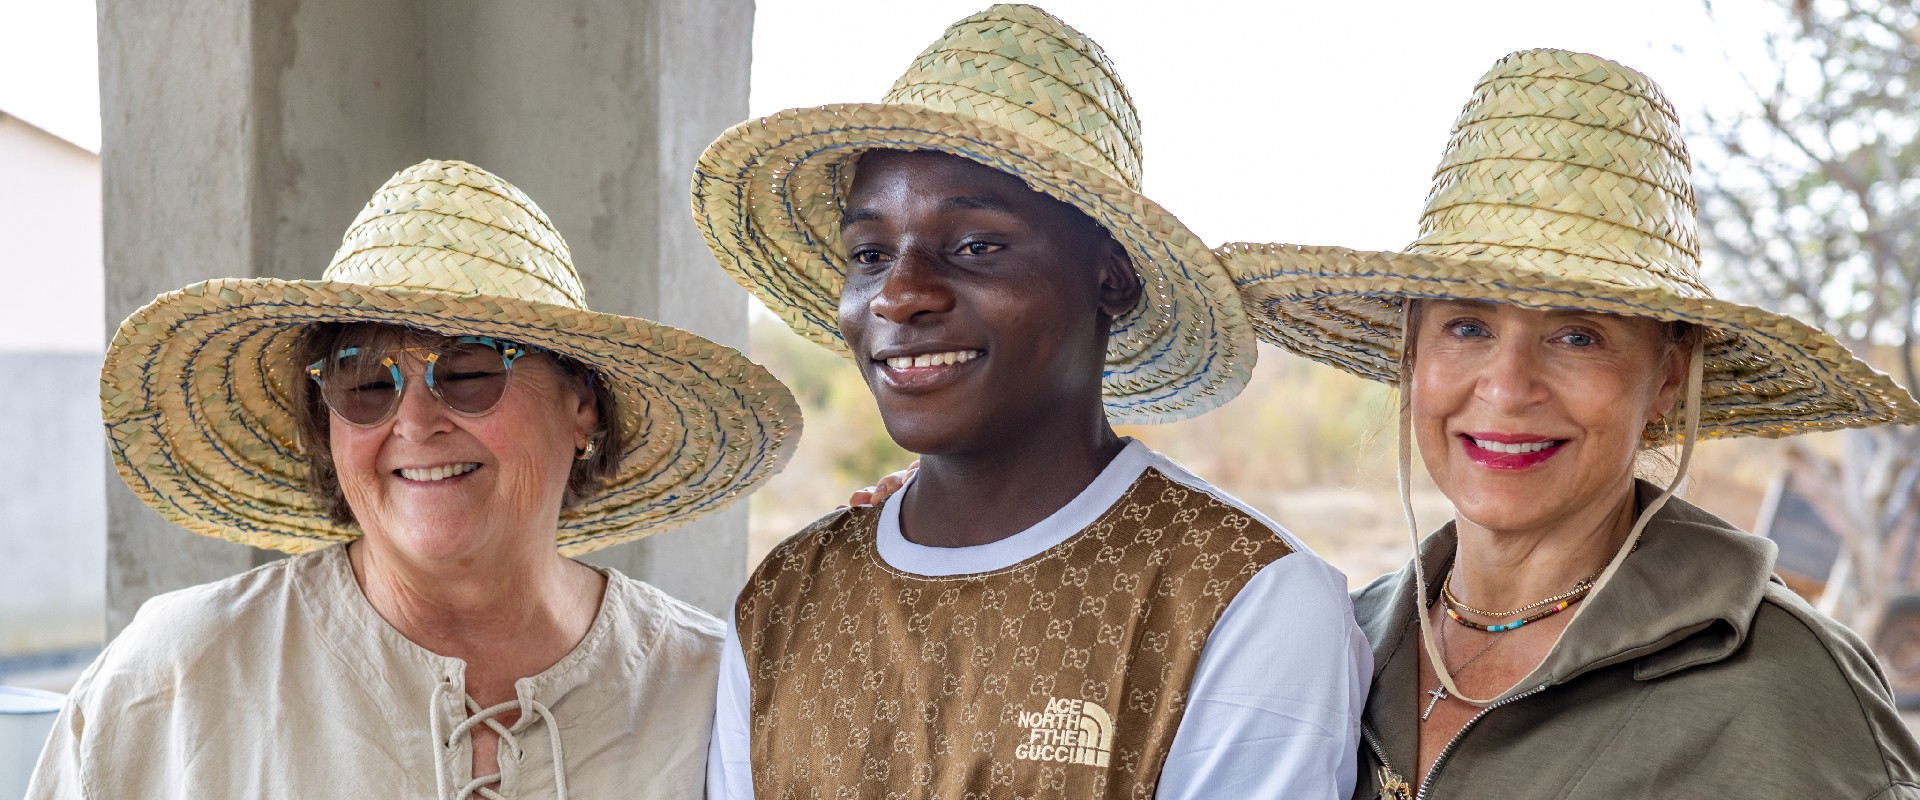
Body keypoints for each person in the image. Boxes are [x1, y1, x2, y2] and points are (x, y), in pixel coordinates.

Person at [692, 5, 1369, 798]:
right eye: (870, 254)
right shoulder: (788, 594)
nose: (901, 294)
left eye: (977, 246)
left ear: (1110, 278)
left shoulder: (1243, 597)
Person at [1220, 49, 1920, 798]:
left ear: (1667, 380)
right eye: (1466, 327)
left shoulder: (1781, 687)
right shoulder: (1338, 649)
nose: (1509, 387)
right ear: (1411, 353)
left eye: (1577, 336)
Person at [29, 159, 800, 799]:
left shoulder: (711, 691)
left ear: (582, 408)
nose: (415, 421)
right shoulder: (176, 678)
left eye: (468, 371)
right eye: (365, 382)